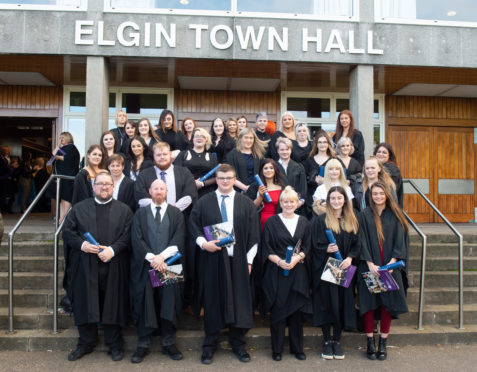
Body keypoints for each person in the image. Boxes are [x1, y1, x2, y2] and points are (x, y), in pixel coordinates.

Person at [190, 164, 260, 365]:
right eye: (221, 178)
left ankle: (238, 344)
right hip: (213, 258)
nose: (225, 181)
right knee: (213, 300)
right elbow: (193, 227)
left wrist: (248, 260)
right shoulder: (204, 202)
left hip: (238, 260)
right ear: (216, 179)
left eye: (229, 178)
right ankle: (209, 346)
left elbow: (255, 235)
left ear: (234, 178)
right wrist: (204, 244)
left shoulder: (245, 203)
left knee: (239, 301)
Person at [63, 171, 133, 362]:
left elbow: (128, 235)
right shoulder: (78, 209)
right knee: (85, 302)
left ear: (113, 186)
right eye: (100, 184)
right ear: (93, 187)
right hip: (86, 266)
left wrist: (113, 249)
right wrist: (81, 245)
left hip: (114, 265)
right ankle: (85, 342)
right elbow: (68, 232)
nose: (104, 187)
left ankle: (114, 344)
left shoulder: (124, 210)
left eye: (108, 184)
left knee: (113, 304)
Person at [130, 179, 186, 363]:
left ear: (167, 191)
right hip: (145, 265)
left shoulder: (176, 213)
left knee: (170, 303)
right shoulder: (140, 214)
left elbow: (179, 237)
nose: (159, 191)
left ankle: (168, 342)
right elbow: (136, 239)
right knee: (145, 303)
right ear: (150, 191)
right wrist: (152, 258)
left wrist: (162, 257)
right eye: (155, 188)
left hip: (170, 264)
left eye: (162, 188)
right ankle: (143, 344)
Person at [358, 181, 408, 361]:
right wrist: (370, 263)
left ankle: (383, 344)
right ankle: (370, 342)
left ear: (387, 194)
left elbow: (400, 242)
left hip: (389, 268)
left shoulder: (396, 215)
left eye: (381, 193)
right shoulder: (364, 215)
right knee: (369, 305)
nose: (378, 196)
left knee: (387, 305)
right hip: (370, 267)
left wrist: (392, 263)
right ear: (370, 196)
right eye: (374, 194)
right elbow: (361, 240)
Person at [260, 186, 311, 362]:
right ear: (280, 203)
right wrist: (280, 262)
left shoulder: (304, 221)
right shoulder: (272, 222)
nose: (288, 204)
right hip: (276, 271)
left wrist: (297, 259)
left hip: (298, 271)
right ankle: (277, 349)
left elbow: (308, 246)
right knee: (278, 310)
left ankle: (298, 348)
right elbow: (266, 247)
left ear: (297, 203)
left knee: (296, 311)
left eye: (292, 202)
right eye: (285, 201)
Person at [311, 186, 360, 360]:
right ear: (328, 200)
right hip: (327, 268)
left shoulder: (352, 220)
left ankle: (337, 341)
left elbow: (357, 243)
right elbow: (313, 244)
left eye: (340, 198)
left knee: (341, 304)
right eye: (333, 198)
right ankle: (326, 341)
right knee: (326, 304)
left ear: (345, 200)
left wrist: (351, 258)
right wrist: (325, 249)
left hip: (344, 268)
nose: (336, 201)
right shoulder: (320, 220)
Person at [134, 142, 197, 213]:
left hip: (179, 217)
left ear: (170, 155)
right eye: (158, 155)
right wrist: (160, 208)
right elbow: (141, 198)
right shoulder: (143, 175)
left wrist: (173, 210)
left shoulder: (184, 173)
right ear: (153, 156)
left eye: (165, 154)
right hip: (152, 218)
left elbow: (189, 195)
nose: (162, 157)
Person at [174, 127, 218, 199]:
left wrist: (202, 183)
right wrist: (191, 183)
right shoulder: (183, 154)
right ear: (192, 139)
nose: (199, 138)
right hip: (186, 192)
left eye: (202, 136)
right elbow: (175, 173)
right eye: (197, 136)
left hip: (207, 194)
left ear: (206, 139)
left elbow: (217, 177)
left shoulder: (212, 157)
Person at [225, 128, 266, 199]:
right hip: (237, 192)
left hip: (255, 192)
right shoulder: (232, 155)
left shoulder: (259, 155)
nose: (248, 140)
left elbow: (262, 174)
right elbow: (229, 175)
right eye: (246, 137)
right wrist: (245, 188)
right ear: (240, 138)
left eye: (251, 138)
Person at [49, 132, 80, 222]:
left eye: (62, 138)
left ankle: (63, 218)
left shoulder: (71, 148)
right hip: (63, 177)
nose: (61, 139)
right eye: (60, 138)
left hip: (68, 177)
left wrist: (58, 157)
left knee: (66, 198)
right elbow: (54, 153)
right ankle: (61, 218)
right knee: (62, 198)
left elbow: (65, 158)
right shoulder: (64, 148)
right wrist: (58, 145)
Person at [304, 130, 336, 213]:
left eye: (325, 142)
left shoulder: (333, 160)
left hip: (329, 197)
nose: (322, 144)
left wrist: (325, 181)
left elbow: (340, 177)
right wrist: (314, 180)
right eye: (320, 142)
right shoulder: (309, 160)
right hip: (311, 197)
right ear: (316, 144)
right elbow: (304, 178)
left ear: (328, 144)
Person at [275, 137, 307, 215]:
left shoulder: (298, 166)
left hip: (296, 206)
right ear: (278, 150)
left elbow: (303, 186)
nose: (285, 152)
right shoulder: (273, 166)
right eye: (282, 150)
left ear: (291, 150)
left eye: (287, 149)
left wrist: (300, 202)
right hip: (278, 206)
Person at [253, 159, 284, 230]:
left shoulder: (282, 187)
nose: (268, 170)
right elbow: (251, 207)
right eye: (265, 168)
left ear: (275, 170)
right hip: (260, 222)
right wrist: (260, 197)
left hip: (278, 222)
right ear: (261, 170)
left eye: (271, 168)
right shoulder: (255, 187)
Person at [374, 143, 403, 208]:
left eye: (384, 152)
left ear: (389, 156)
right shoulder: (375, 166)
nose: (381, 154)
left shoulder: (393, 170)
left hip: (389, 206)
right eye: (379, 152)